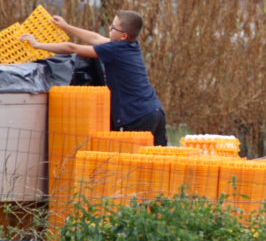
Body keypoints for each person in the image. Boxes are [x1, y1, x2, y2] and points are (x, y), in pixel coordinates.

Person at [20, 11, 167, 145]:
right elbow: (95, 38)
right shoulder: (131, 46)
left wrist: (37, 45)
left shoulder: (114, 50)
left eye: (113, 27)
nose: (109, 28)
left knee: (130, 161)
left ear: (124, 36)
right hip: (156, 111)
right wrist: (66, 27)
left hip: (136, 116)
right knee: (158, 161)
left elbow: (72, 48)